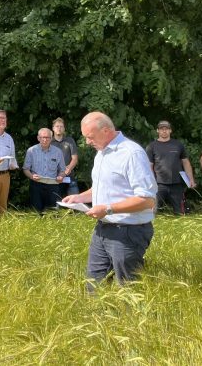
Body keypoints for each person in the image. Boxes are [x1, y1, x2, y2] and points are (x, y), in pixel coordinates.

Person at [62, 112, 157, 287]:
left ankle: (131, 316)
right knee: (94, 285)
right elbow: (103, 187)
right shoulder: (101, 152)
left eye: (90, 137)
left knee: (129, 288)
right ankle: (96, 314)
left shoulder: (132, 153)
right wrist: (79, 197)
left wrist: (108, 209)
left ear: (105, 131)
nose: (87, 142)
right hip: (102, 229)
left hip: (129, 232)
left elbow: (147, 200)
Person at [145, 120, 196, 214]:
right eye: (161, 129)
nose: (164, 131)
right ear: (157, 131)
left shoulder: (178, 145)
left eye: (166, 129)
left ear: (170, 130)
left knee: (180, 213)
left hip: (177, 184)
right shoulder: (151, 146)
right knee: (152, 212)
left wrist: (191, 180)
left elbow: (186, 162)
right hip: (158, 184)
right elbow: (149, 166)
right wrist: (150, 183)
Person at [23, 128, 65, 213]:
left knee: (53, 212)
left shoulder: (58, 152)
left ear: (51, 138)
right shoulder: (31, 151)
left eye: (47, 137)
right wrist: (31, 176)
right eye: (42, 137)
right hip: (36, 184)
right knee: (36, 212)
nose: (45, 140)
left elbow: (62, 170)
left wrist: (61, 176)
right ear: (38, 138)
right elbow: (25, 169)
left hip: (53, 185)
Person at [51, 118, 79, 197]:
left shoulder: (70, 141)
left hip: (69, 177)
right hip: (54, 178)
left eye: (61, 126)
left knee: (75, 203)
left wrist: (68, 169)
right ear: (53, 128)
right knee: (55, 206)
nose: (59, 128)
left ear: (64, 128)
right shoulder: (49, 142)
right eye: (57, 126)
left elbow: (75, 158)